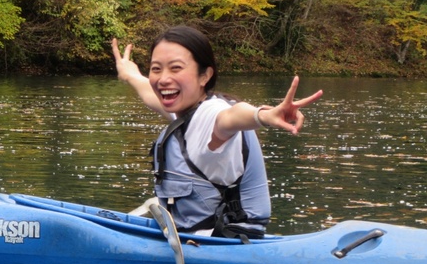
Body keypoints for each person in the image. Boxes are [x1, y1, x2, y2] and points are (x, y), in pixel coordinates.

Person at [112, 25, 322, 238]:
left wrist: (263, 116)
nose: (163, 78)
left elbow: (230, 118)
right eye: (156, 69)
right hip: (190, 236)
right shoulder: (186, 110)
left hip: (227, 243)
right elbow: (150, 93)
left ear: (205, 76)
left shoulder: (211, 113)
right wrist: (129, 73)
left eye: (175, 68)